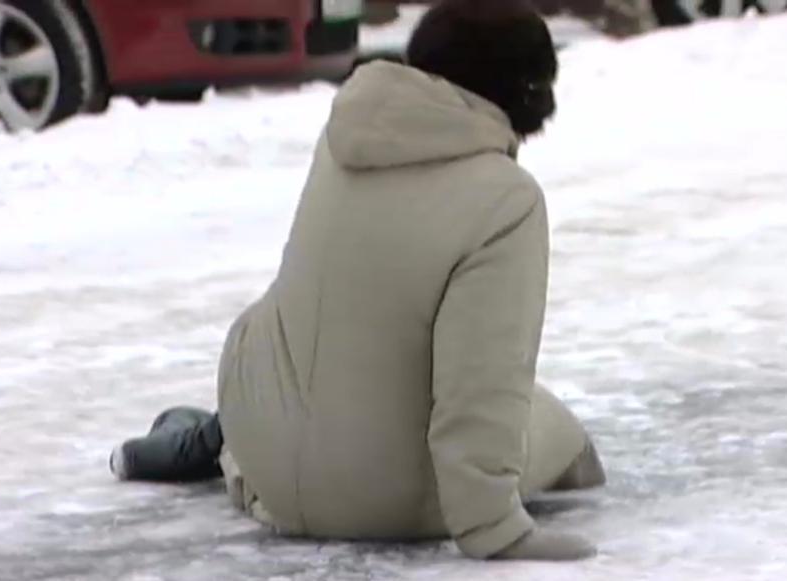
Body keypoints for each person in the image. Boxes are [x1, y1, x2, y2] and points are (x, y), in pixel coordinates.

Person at [110, 0, 607, 561]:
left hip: (273, 462)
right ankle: (232, 443)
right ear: (527, 91)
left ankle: (223, 440)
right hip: (383, 501)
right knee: (563, 438)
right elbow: (480, 384)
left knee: (307, 337)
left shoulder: (347, 136)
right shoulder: (506, 200)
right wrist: (495, 527)